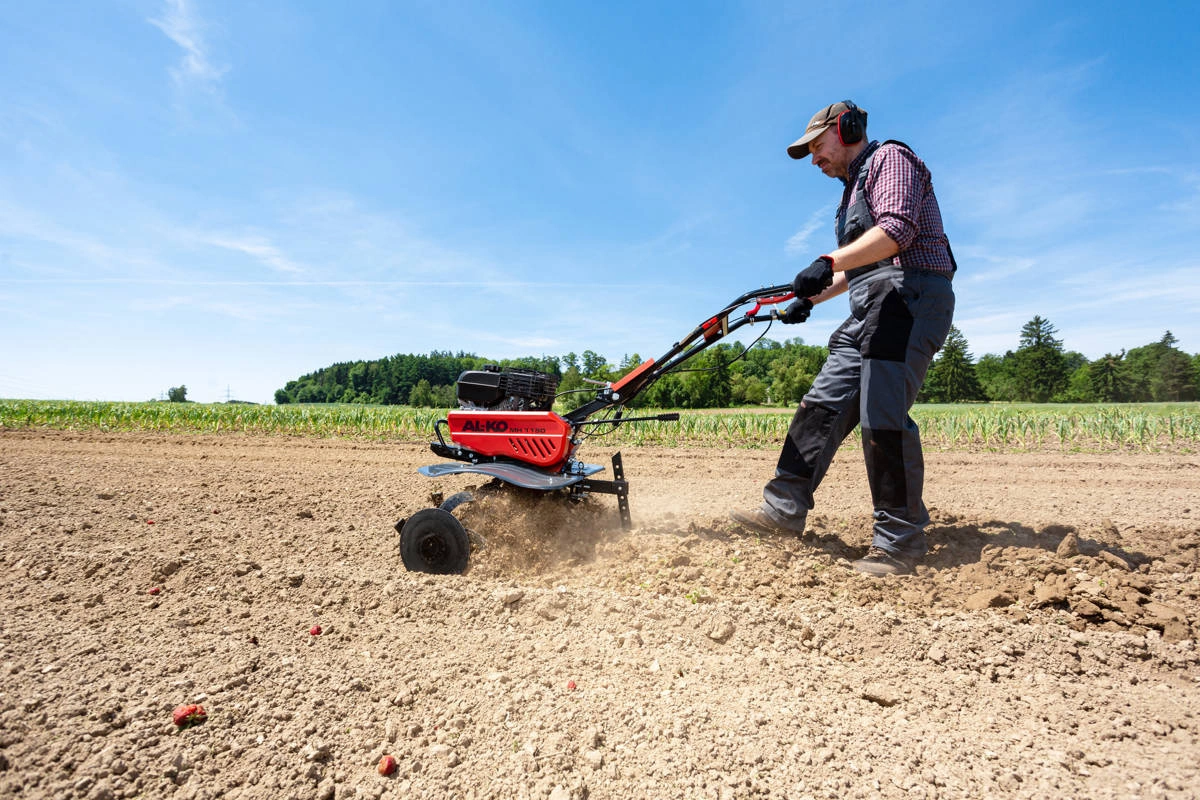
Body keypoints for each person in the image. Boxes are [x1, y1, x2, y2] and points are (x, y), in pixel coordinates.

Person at [731, 100, 956, 576]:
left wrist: (828, 261)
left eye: (817, 147)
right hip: (871, 306)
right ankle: (781, 513)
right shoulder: (849, 192)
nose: (815, 160)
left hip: (910, 297)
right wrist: (807, 300)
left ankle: (899, 543)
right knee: (820, 406)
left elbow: (896, 231)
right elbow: (858, 268)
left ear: (845, 128)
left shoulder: (889, 160)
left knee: (883, 417)